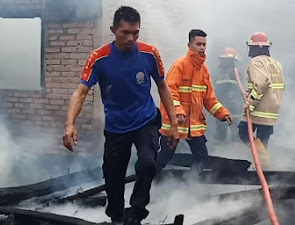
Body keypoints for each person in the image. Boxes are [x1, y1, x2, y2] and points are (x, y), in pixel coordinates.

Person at [62, 6, 179, 225]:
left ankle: (136, 213)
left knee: (147, 164)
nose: (131, 38)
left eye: (135, 32)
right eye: (125, 32)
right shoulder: (98, 58)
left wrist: (173, 123)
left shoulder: (149, 53)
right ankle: (116, 216)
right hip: (117, 127)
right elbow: (80, 93)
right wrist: (70, 124)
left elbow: (163, 87)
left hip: (146, 121)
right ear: (113, 29)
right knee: (113, 177)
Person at [157, 29, 232, 173]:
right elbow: (169, 92)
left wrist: (223, 113)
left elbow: (209, 98)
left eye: (204, 44)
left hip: (194, 126)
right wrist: (178, 112)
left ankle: (191, 184)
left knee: (202, 159)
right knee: (164, 157)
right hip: (175, 124)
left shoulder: (204, 70)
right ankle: (150, 181)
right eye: (198, 44)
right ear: (189, 45)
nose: (202, 47)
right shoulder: (179, 65)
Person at [238, 32, 285, 147]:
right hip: (273, 109)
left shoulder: (256, 62)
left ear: (255, 48)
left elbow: (261, 83)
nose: (249, 51)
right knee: (263, 139)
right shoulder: (276, 63)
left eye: (251, 47)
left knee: (243, 132)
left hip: (259, 108)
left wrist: (250, 103)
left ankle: (258, 157)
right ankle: (263, 161)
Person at [213, 47, 243, 143]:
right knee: (221, 131)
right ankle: (219, 150)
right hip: (221, 106)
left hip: (233, 107)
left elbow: (241, 89)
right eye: (222, 60)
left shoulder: (236, 72)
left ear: (231, 61)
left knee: (236, 132)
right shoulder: (218, 73)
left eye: (224, 60)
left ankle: (236, 150)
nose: (221, 62)